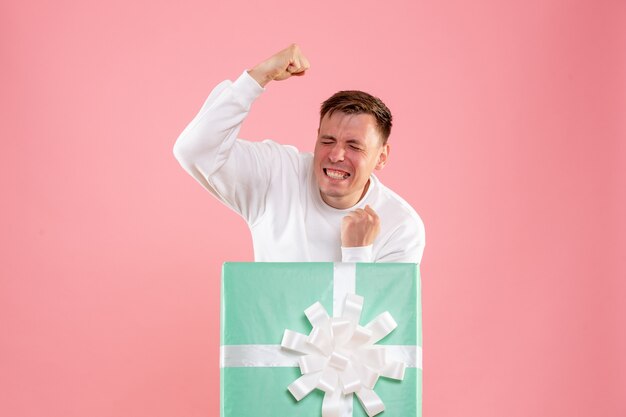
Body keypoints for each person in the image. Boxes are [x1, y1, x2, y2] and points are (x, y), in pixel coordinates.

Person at [173, 44, 425, 263]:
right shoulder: (277, 173)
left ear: (382, 157)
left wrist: (356, 253)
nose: (337, 155)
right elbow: (194, 150)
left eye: (354, 146)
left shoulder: (401, 227)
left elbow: (368, 319)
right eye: (328, 140)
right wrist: (259, 76)